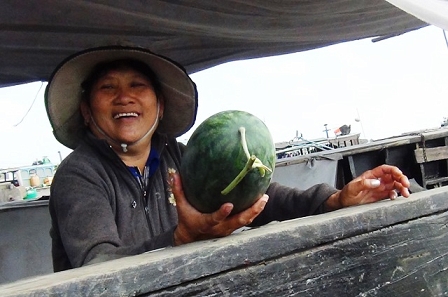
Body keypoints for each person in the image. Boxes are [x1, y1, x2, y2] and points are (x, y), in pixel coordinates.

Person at [45, 45, 411, 272]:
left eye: (137, 86)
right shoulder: (79, 174)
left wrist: (335, 199)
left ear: (159, 106)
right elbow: (97, 267)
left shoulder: (178, 157)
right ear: (87, 111)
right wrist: (181, 237)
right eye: (108, 88)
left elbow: (260, 198)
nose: (124, 97)